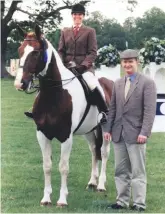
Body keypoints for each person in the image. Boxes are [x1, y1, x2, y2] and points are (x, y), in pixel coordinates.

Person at [25, 3, 109, 123]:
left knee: (91, 83)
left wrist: (83, 66)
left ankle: (104, 111)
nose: (77, 17)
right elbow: (61, 51)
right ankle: (36, 109)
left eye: (79, 14)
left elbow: (92, 52)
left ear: (83, 16)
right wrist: (61, 64)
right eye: (75, 14)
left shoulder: (90, 31)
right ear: (72, 16)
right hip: (66, 67)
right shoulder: (65, 31)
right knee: (47, 82)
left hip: (84, 68)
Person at [102, 49, 157, 211]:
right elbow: (112, 109)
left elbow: (149, 110)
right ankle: (122, 202)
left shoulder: (147, 83)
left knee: (138, 171)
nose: (127, 65)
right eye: (124, 62)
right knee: (120, 171)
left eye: (130, 61)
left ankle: (139, 203)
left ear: (137, 63)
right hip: (118, 134)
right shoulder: (118, 83)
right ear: (121, 64)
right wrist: (108, 129)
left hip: (136, 134)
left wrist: (144, 132)